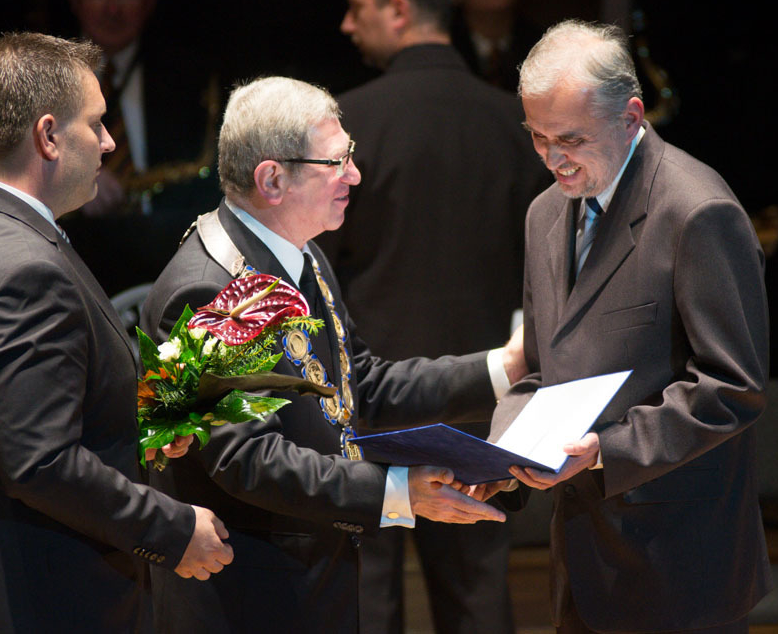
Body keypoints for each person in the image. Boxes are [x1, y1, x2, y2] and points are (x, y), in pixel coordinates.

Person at [140, 75, 525, 633]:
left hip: (313, 574)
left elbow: (357, 383)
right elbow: (249, 458)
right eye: (337, 161)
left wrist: (504, 368)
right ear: (272, 179)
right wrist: (397, 491)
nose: (355, 174)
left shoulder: (303, 255)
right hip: (249, 595)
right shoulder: (212, 287)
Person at [0, 32, 233, 632]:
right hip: (31, 598)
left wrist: (138, 429)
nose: (109, 142)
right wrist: (174, 530)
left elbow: (1, 416)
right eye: (96, 124)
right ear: (48, 136)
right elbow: (41, 462)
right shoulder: (26, 270)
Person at [481, 20, 771, 633]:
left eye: (571, 139)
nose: (553, 159)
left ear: (631, 115)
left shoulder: (698, 210)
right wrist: (500, 454)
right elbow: (542, 369)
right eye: (537, 137)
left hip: (681, 565)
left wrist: (603, 452)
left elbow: (732, 387)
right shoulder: (543, 215)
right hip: (582, 559)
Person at [324, 0, 547, 632]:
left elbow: (316, 272)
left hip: (368, 397)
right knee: (478, 593)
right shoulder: (514, 123)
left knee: (366, 593)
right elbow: (542, 270)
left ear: (398, 9)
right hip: (482, 393)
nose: (346, 23)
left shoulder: (346, 126)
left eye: (357, 7)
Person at [67, 0, 222, 216]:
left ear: (149, 2)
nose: (113, 9)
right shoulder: (43, 76)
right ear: (75, 1)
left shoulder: (188, 77)